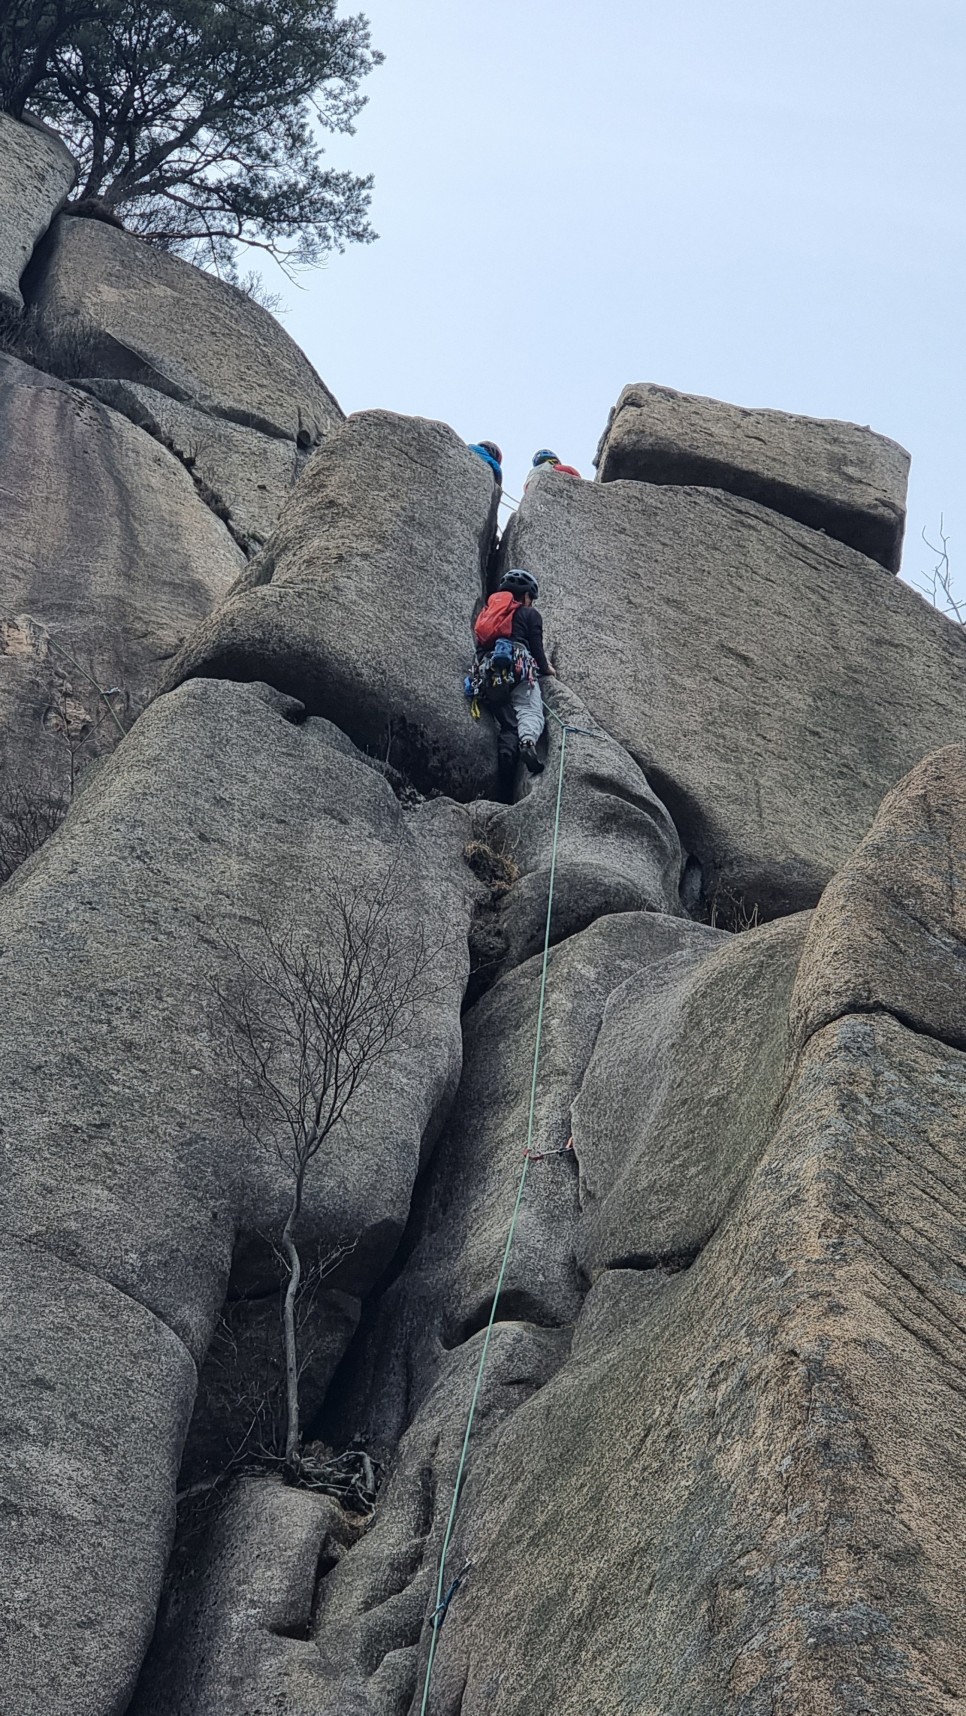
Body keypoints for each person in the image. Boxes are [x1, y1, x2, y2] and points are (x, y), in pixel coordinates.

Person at [475, 568, 556, 790]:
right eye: (532, 598)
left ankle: (505, 767)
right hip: (520, 668)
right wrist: (547, 669)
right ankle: (528, 742)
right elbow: (537, 650)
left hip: (491, 673)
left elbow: (479, 647)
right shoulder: (530, 614)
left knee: (509, 724)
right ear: (526, 595)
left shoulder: (489, 614)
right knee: (529, 710)